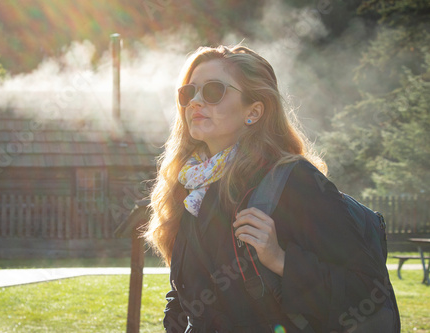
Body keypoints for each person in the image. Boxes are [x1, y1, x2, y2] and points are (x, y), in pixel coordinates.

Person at [142, 45, 399, 332]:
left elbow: (366, 287)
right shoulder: (191, 187)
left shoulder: (294, 181)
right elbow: (185, 292)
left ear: (253, 111)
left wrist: (281, 260)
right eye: (188, 93)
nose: (194, 102)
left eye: (213, 91)